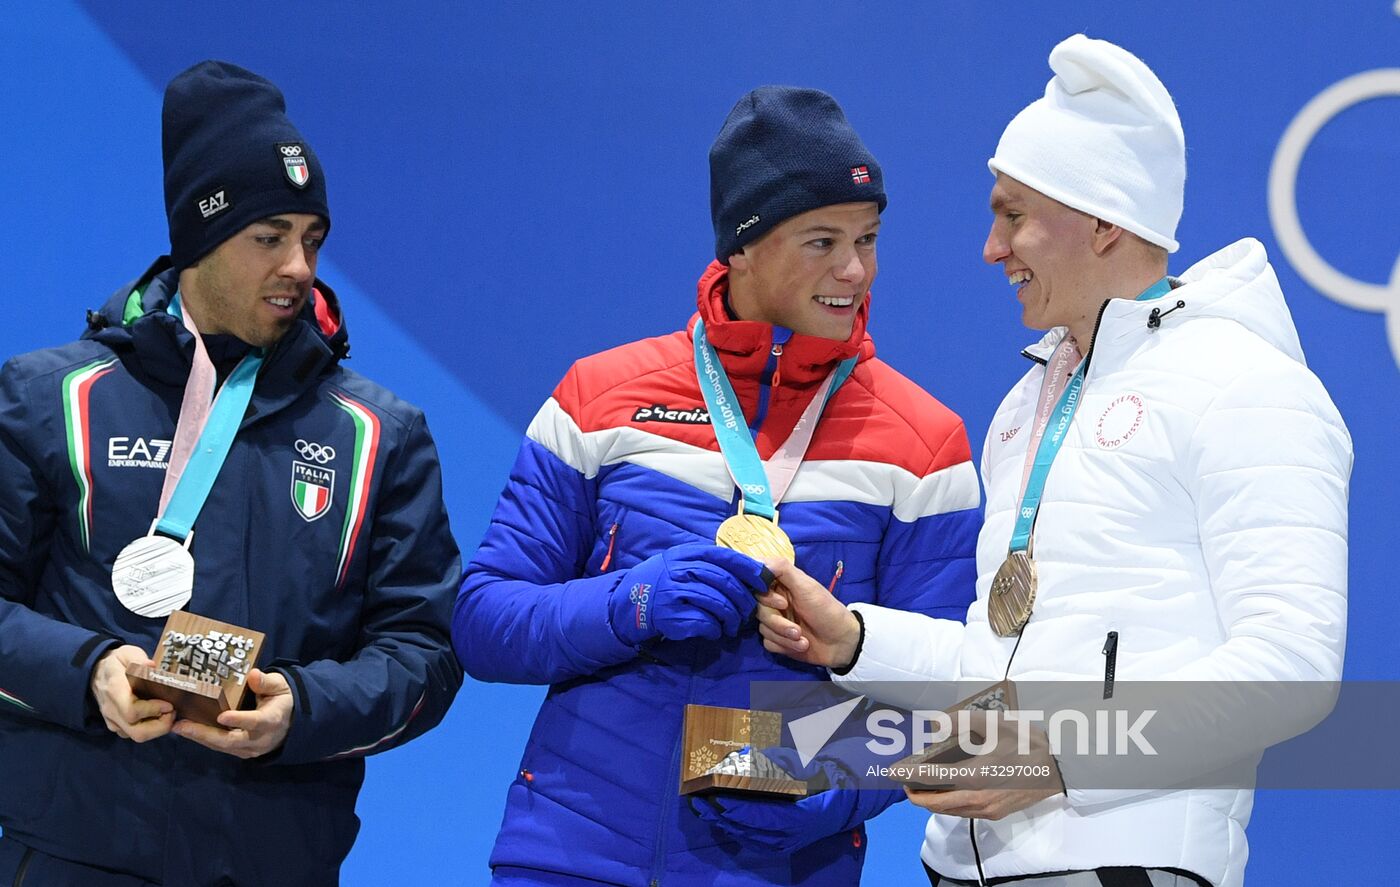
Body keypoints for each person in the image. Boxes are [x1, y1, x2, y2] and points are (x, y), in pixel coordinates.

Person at [757, 35, 1351, 887]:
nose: (991, 248)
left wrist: (1061, 755)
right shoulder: (1027, 402)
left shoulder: (1246, 385)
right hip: (963, 865)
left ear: (1104, 220)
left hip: (1126, 863)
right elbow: (997, 670)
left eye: (1013, 214)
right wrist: (855, 639)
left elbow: (1291, 670)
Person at [453, 86, 982, 885]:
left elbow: (946, 697)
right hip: (570, 855)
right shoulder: (599, 397)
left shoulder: (925, 443)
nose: (855, 270)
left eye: (868, 239)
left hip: (780, 868)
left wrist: (821, 785)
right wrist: (629, 603)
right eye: (822, 240)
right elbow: (484, 619)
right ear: (742, 246)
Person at [0, 61, 462, 887]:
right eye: (269, 236)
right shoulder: (50, 399)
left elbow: (425, 652)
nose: (299, 265)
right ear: (199, 239)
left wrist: (302, 709)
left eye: (312, 239)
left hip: (272, 861)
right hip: (74, 853)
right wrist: (87, 670)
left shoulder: (378, 434)